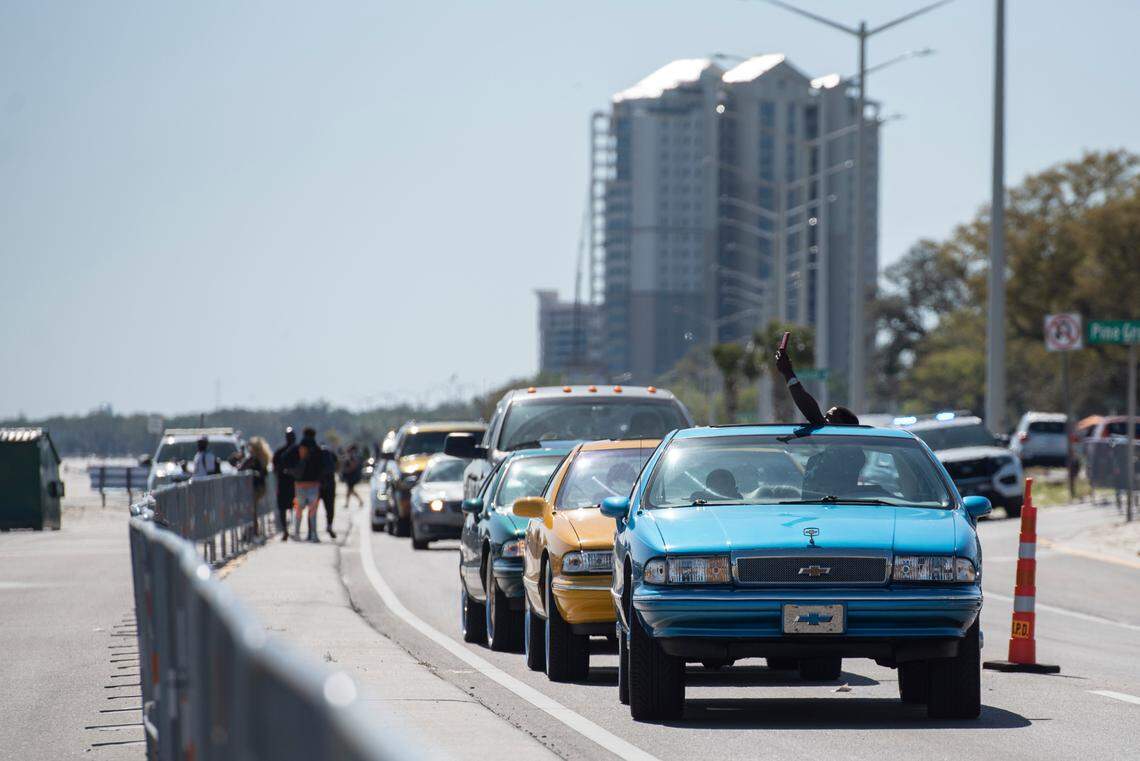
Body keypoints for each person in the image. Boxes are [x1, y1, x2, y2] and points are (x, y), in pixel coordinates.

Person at [774, 340, 865, 499]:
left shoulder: (852, 454)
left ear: (846, 427)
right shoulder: (818, 456)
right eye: (825, 417)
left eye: (830, 418)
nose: (823, 421)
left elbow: (813, 415)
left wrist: (788, 373)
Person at [774, 342, 860, 426]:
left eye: (828, 418)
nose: (822, 418)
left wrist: (788, 372)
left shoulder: (826, 432)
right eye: (825, 416)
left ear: (842, 425)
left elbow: (811, 410)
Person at [285, 427, 324, 543]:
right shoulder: (317, 449)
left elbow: (285, 459)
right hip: (314, 484)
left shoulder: (298, 448)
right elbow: (322, 466)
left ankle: (296, 533)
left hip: (300, 484)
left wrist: (292, 470)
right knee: (313, 511)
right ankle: (314, 535)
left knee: (298, 510)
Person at [272, 428, 297, 541]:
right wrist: (285, 470)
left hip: (296, 484)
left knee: (298, 508)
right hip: (283, 484)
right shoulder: (280, 452)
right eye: (289, 436)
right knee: (282, 508)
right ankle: (285, 531)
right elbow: (275, 468)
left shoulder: (298, 451)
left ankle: (296, 529)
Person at [319, 443, 339, 540]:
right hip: (330, 484)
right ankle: (329, 526)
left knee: (313, 508)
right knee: (330, 507)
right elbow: (337, 466)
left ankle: (311, 530)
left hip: (318, 484)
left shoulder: (317, 453)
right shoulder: (331, 454)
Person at [342, 444, 364, 508]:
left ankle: (349, 503)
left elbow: (353, 465)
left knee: (350, 490)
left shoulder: (353, 456)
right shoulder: (353, 455)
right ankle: (349, 503)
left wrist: (347, 470)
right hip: (351, 476)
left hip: (352, 476)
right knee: (350, 490)